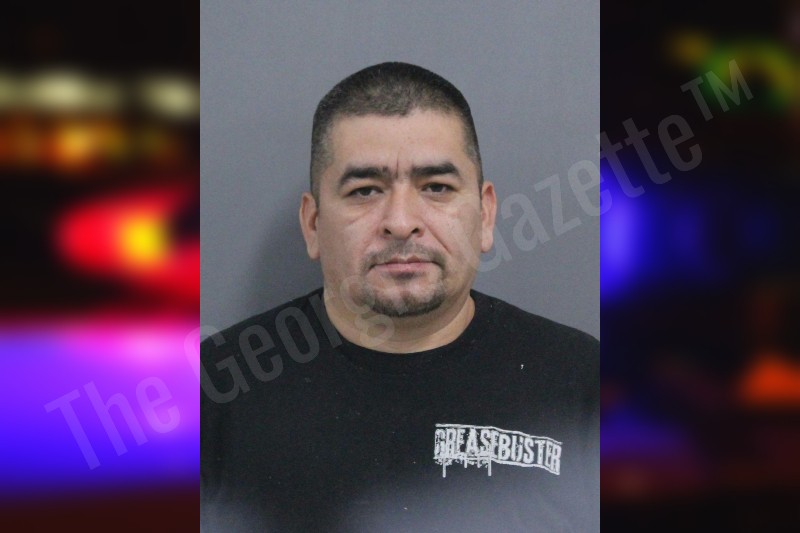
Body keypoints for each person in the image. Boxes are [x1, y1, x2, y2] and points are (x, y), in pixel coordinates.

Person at [201, 62, 599, 532]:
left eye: (436, 187)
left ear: (486, 215)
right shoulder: (211, 392)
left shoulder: (587, 385)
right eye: (365, 190)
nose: (401, 221)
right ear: (313, 225)